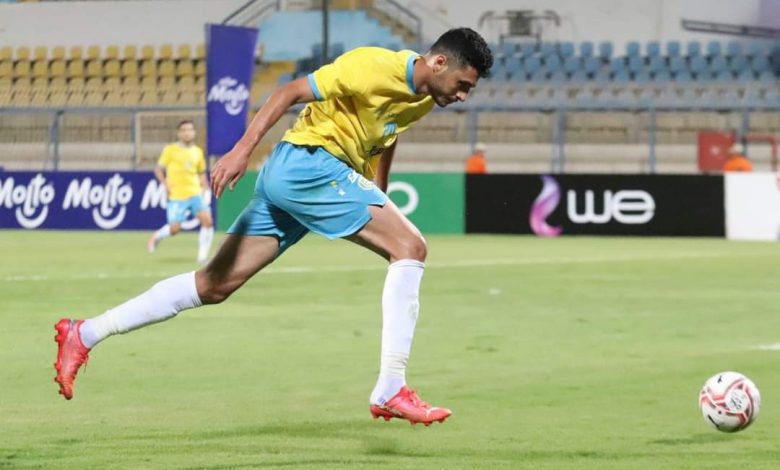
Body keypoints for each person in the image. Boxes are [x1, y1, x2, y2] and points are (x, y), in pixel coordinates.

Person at [53, 28, 493, 426]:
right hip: (309, 166)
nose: (462, 96)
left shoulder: (423, 97)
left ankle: (84, 333)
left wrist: (380, 191)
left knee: (213, 285)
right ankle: (391, 387)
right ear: (439, 62)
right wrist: (241, 150)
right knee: (411, 248)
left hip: (300, 177)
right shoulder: (374, 65)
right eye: (462, 85)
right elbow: (290, 92)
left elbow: (388, 133)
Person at [147, 120, 215, 264]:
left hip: (195, 193)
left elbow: (201, 173)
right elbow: (158, 169)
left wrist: (206, 188)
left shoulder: (198, 152)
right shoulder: (170, 150)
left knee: (207, 222)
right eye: (183, 130)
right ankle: (157, 235)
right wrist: (165, 184)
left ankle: (202, 257)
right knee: (175, 229)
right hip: (177, 195)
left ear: (194, 132)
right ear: (179, 133)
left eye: (189, 130)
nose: (187, 133)